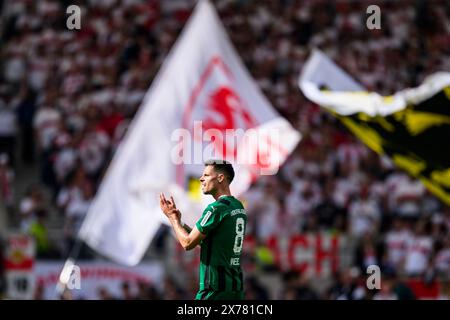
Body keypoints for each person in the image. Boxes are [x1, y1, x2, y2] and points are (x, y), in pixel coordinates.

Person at [159, 159, 247, 300]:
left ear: (220, 178)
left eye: (206, 175)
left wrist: (172, 219)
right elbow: (212, 243)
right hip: (234, 288)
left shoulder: (216, 208)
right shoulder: (237, 207)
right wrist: (180, 222)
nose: (201, 179)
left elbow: (187, 243)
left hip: (215, 289)